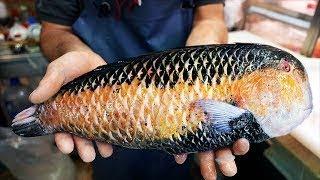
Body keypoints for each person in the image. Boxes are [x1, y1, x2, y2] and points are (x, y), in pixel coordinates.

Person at [32, 0, 250, 179]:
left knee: (176, 161)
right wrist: (74, 51)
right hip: (100, 97)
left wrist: (203, 64)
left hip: (183, 98)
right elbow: (54, 30)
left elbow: (210, 17)